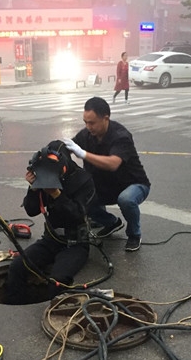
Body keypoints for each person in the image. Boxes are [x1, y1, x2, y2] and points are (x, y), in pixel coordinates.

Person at [5, 140, 95, 304]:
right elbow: (32, 210)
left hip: (75, 243)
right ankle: (15, 304)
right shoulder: (43, 175)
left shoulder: (83, 180)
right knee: (17, 267)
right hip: (50, 239)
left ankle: (56, 316)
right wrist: (33, 188)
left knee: (57, 280)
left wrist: (56, 195)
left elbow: (77, 215)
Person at [63, 96, 150, 252]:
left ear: (105, 118)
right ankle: (111, 222)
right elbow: (68, 147)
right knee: (79, 198)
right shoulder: (87, 134)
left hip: (133, 184)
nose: (88, 127)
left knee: (126, 199)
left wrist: (82, 154)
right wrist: (54, 152)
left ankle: (134, 235)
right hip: (105, 186)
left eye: (92, 123)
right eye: (85, 122)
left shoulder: (121, 136)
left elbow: (113, 164)